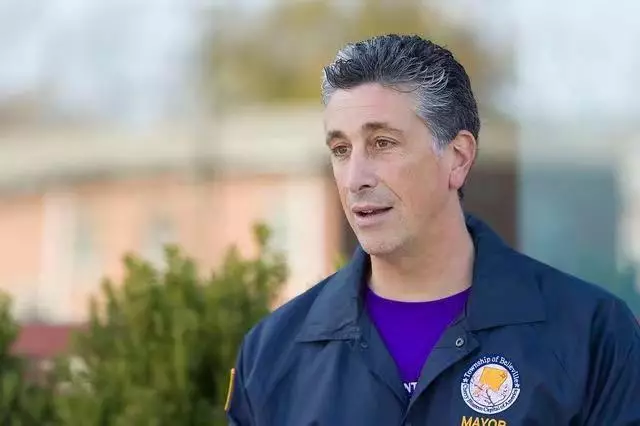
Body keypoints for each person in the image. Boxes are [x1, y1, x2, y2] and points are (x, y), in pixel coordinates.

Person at [225, 34, 640, 425]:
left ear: (458, 157)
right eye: (340, 150)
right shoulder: (271, 353)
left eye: (383, 143)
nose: (355, 179)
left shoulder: (592, 336)